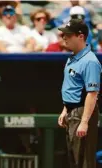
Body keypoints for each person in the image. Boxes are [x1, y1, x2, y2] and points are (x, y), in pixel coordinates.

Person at [58, 19, 101, 168]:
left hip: (82, 112)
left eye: (68, 35)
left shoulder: (90, 61)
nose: (64, 37)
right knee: (74, 161)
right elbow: (72, 87)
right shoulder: (72, 58)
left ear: (80, 36)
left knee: (84, 162)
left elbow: (92, 93)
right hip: (72, 112)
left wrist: (84, 122)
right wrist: (65, 110)